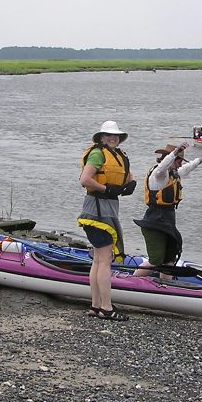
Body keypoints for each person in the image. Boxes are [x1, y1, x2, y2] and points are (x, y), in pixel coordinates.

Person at [78, 120, 137, 321]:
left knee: (98, 259)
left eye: (116, 135)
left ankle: (95, 306)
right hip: (96, 212)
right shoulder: (97, 153)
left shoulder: (118, 155)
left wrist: (131, 184)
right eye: (109, 135)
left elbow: (128, 176)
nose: (113, 138)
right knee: (105, 260)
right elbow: (85, 179)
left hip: (107, 211)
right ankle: (106, 307)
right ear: (102, 137)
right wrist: (106, 189)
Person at [133, 141, 202, 280]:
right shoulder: (158, 176)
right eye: (178, 161)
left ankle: (165, 286)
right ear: (170, 159)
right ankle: (130, 281)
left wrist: (200, 160)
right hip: (154, 223)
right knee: (156, 260)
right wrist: (174, 153)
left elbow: (187, 168)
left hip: (168, 222)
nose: (180, 165)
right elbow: (162, 167)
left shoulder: (173, 174)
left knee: (169, 260)